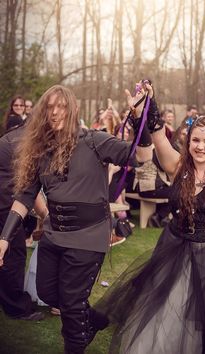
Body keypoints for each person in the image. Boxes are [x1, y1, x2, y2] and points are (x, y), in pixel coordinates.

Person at [0, 84, 152, 354]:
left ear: (73, 110)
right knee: (47, 293)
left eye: (62, 107)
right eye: (50, 107)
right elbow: (25, 197)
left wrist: (141, 118)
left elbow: (141, 157)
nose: (55, 113)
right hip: (54, 235)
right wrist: (4, 238)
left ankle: (76, 344)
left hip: (88, 238)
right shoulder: (40, 150)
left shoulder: (95, 141)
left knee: (70, 307)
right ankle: (94, 318)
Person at [95, 83, 205, 354]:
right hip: (175, 251)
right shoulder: (177, 166)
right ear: (188, 140)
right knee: (169, 310)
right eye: (196, 140)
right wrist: (148, 106)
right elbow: (158, 136)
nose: (200, 147)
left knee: (203, 319)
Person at [0, 123, 46, 321]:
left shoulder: (14, 135)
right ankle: (17, 308)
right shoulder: (25, 144)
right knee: (14, 255)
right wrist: (45, 214)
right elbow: (28, 186)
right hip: (6, 205)